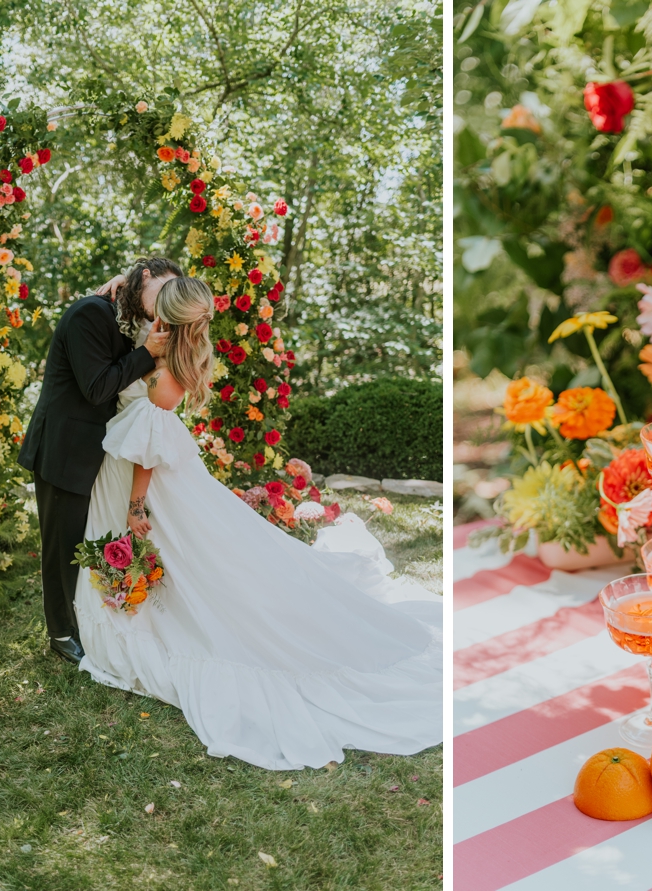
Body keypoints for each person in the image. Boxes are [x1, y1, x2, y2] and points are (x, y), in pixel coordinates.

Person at [72, 276, 442, 770]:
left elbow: (147, 453)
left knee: (193, 566)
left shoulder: (165, 371)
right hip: (153, 476)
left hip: (151, 484)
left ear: (171, 314)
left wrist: (137, 507)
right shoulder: (175, 352)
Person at [17, 257, 182, 662]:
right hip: (65, 447)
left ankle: (86, 619)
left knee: (81, 541)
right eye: (162, 291)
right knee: (61, 544)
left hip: (102, 452)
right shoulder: (88, 313)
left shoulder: (127, 312)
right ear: (146, 274)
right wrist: (146, 353)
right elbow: (96, 386)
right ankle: (59, 633)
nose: (163, 304)